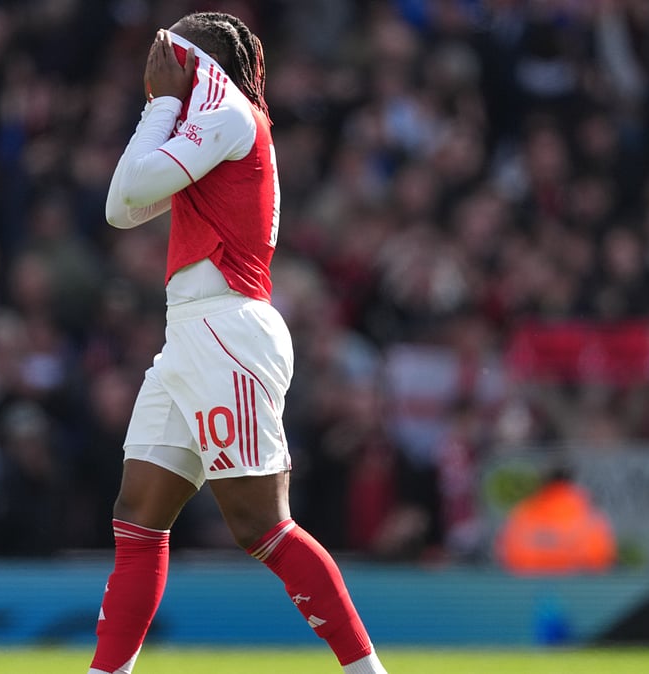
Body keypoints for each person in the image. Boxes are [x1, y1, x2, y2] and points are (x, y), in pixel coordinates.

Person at [89, 13, 388, 674]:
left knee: (260, 524)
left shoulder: (225, 113)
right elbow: (120, 205)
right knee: (139, 513)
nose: (155, 67)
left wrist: (164, 101)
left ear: (196, 62)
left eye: (168, 58)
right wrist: (163, 107)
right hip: (191, 333)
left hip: (225, 327)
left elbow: (134, 188)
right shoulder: (214, 123)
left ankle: (368, 671)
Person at [496, 463, 616, 575]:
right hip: (578, 589)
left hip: (527, 588)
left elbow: (507, 555)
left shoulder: (522, 514)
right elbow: (601, 558)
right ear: (571, 483)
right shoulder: (589, 514)